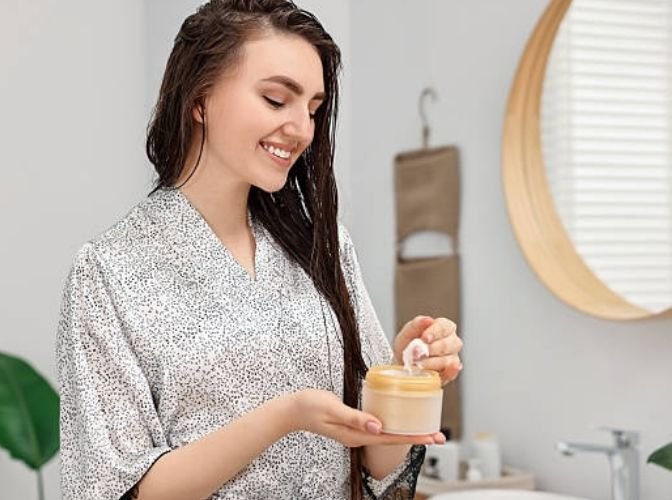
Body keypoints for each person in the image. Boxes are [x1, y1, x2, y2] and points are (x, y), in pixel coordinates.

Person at [55, 1, 463, 499]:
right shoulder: (109, 271)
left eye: (312, 109)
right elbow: (124, 491)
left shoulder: (323, 245)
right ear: (199, 98)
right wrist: (286, 416)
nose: (302, 130)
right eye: (276, 100)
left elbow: (375, 460)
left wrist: (406, 375)